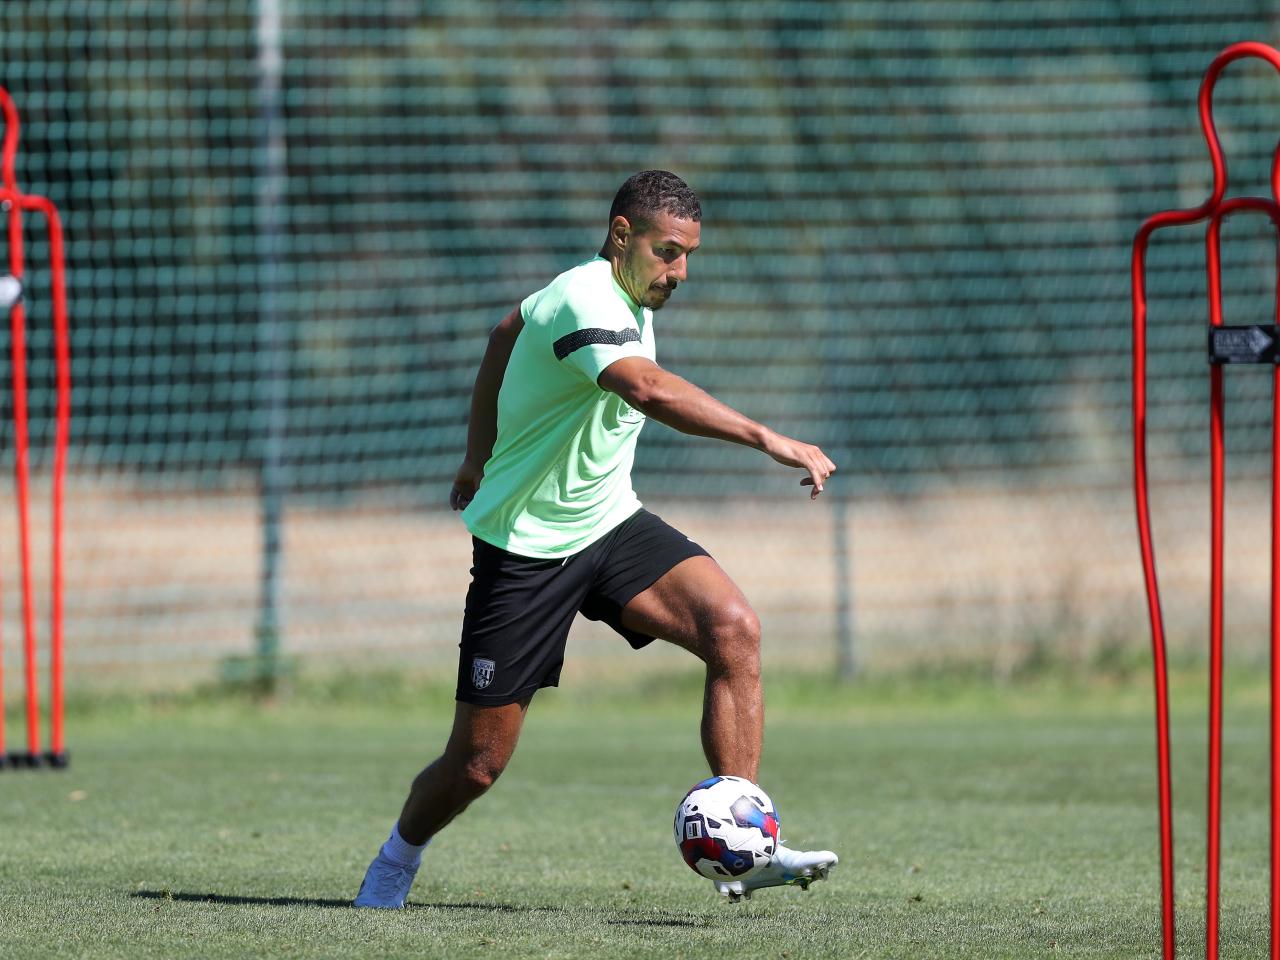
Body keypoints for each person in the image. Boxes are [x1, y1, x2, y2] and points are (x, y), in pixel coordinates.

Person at [354, 170, 838, 908]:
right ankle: (396, 858)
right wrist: (767, 437)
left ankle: (747, 845)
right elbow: (646, 389)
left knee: (734, 629)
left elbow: (502, 333)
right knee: (479, 762)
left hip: (610, 522)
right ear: (621, 236)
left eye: (689, 257)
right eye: (668, 253)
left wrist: (474, 454)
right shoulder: (583, 297)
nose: (680, 272)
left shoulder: (627, 294)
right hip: (526, 549)